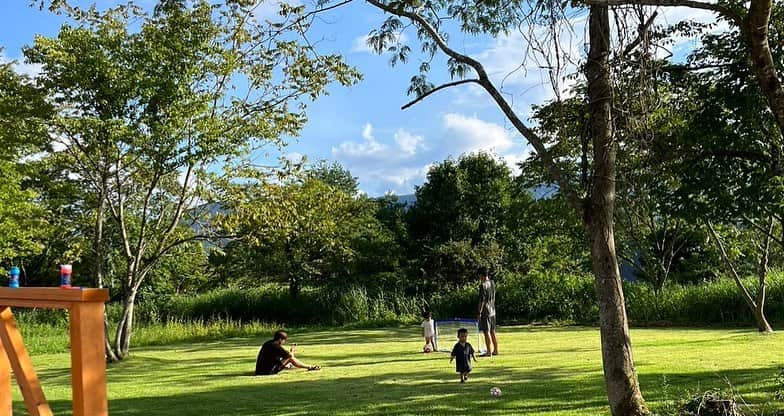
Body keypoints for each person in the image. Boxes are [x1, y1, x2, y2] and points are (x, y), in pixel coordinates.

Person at [255, 330, 320, 375]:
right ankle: (310, 367)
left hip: (259, 370)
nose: (284, 343)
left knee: (288, 362)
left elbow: (275, 357)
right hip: (267, 372)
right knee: (290, 359)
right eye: (284, 341)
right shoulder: (276, 345)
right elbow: (289, 356)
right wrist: (292, 350)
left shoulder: (268, 343)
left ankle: (307, 367)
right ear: (280, 339)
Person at [477, 268, 499, 357]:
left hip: (486, 311)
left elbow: (481, 300)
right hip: (493, 310)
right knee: (493, 331)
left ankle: (489, 351)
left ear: (481, 275)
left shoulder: (483, 285)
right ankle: (496, 350)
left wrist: (479, 312)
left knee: (486, 331)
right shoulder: (492, 283)